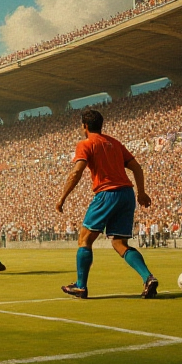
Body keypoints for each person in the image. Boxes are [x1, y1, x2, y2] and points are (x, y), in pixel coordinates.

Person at [56, 110, 158, 299]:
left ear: (84, 126)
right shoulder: (115, 143)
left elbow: (76, 172)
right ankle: (148, 278)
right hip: (127, 194)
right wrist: (141, 192)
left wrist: (63, 197)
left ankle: (81, 286)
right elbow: (136, 166)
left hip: (107, 193)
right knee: (119, 243)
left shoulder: (86, 144)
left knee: (85, 240)